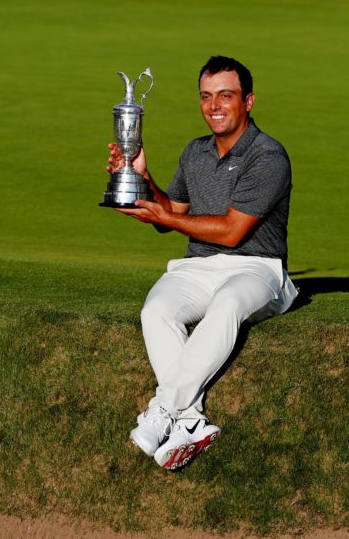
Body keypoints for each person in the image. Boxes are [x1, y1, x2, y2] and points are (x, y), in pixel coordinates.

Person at [106, 55, 298, 471]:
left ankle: (164, 408)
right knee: (156, 310)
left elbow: (232, 231)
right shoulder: (195, 152)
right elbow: (171, 210)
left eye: (225, 96)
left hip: (257, 269)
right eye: (206, 97)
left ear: (248, 101)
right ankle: (191, 421)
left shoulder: (268, 157)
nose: (214, 105)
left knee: (227, 306)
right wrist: (142, 179)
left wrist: (169, 219)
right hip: (197, 267)